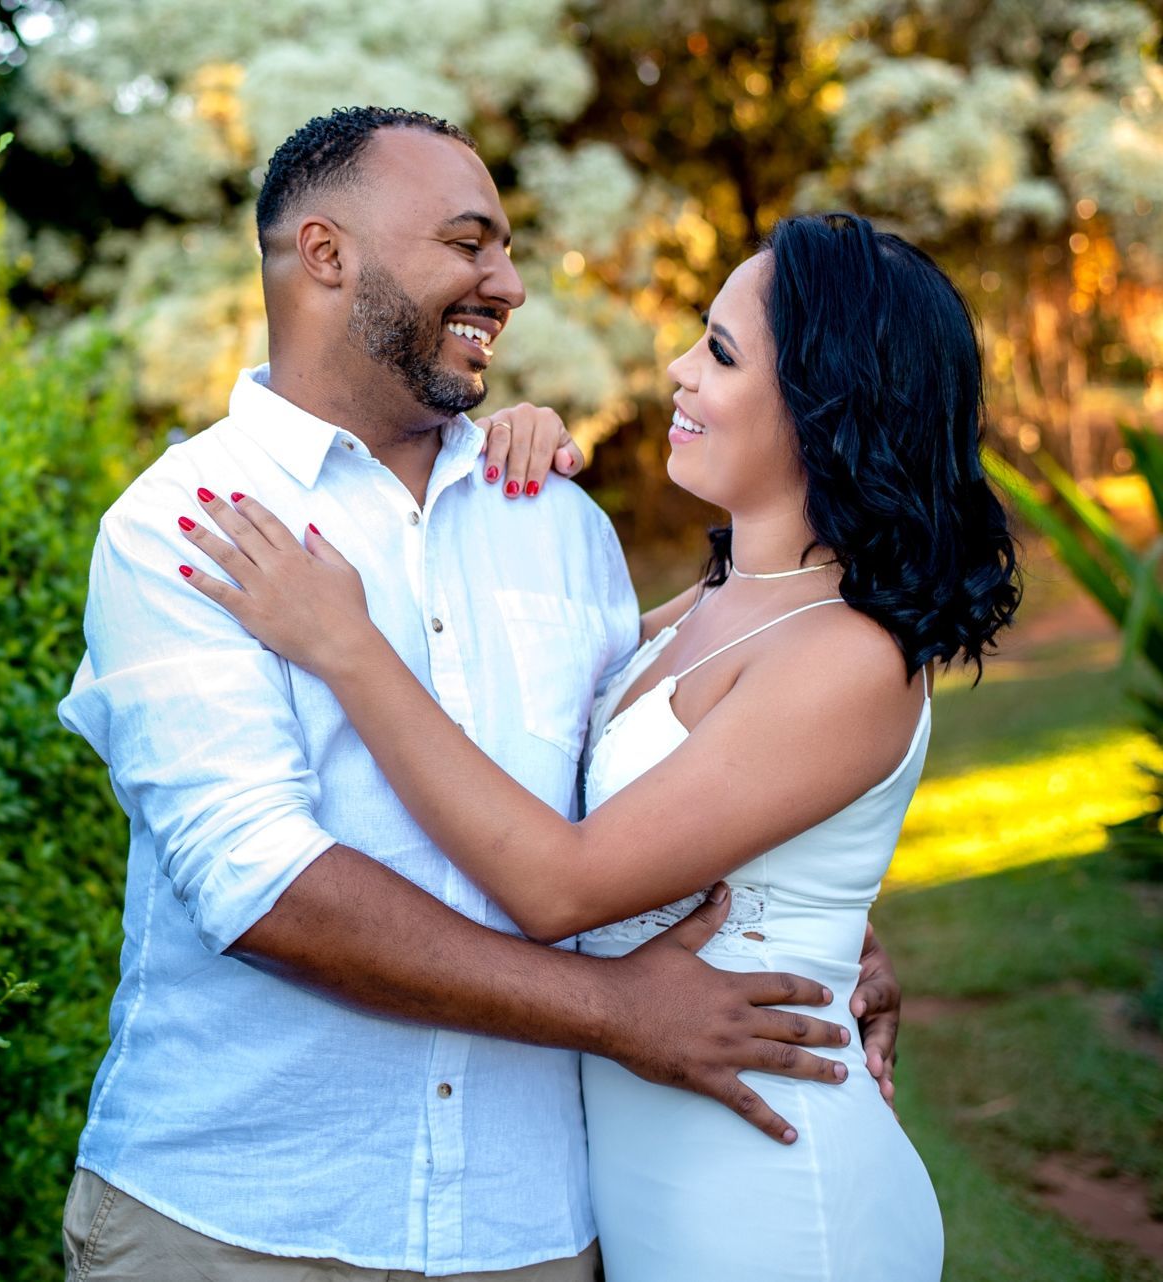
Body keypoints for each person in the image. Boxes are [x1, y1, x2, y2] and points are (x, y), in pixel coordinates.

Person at [58, 106, 909, 1280]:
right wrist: (617, 1010)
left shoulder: (559, 521)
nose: (507, 282)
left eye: (505, 248)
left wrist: (808, 918)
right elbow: (262, 890)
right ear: (326, 255)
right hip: (239, 1222)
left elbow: (656, 780)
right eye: (470, 243)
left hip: (532, 1232)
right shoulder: (188, 523)